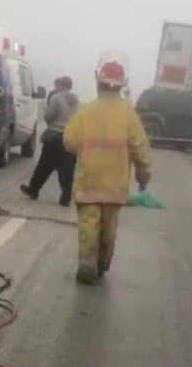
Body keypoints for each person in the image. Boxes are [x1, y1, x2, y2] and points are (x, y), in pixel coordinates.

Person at [63, 58, 152, 285]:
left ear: (98, 81)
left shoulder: (86, 111)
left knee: (88, 224)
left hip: (89, 181)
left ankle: (86, 263)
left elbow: (69, 142)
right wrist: (144, 176)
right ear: (122, 84)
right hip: (115, 185)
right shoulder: (128, 115)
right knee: (109, 227)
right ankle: (102, 263)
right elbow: (140, 148)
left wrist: (87, 151)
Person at [20, 76, 79, 206]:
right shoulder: (76, 100)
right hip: (70, 137)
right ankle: (66, 197)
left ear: (61, 85)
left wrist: (51, 123)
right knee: (67, 169)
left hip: (55, 136)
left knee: (44, 165)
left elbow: (49, 115)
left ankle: (33, 190)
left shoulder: (56, 98)